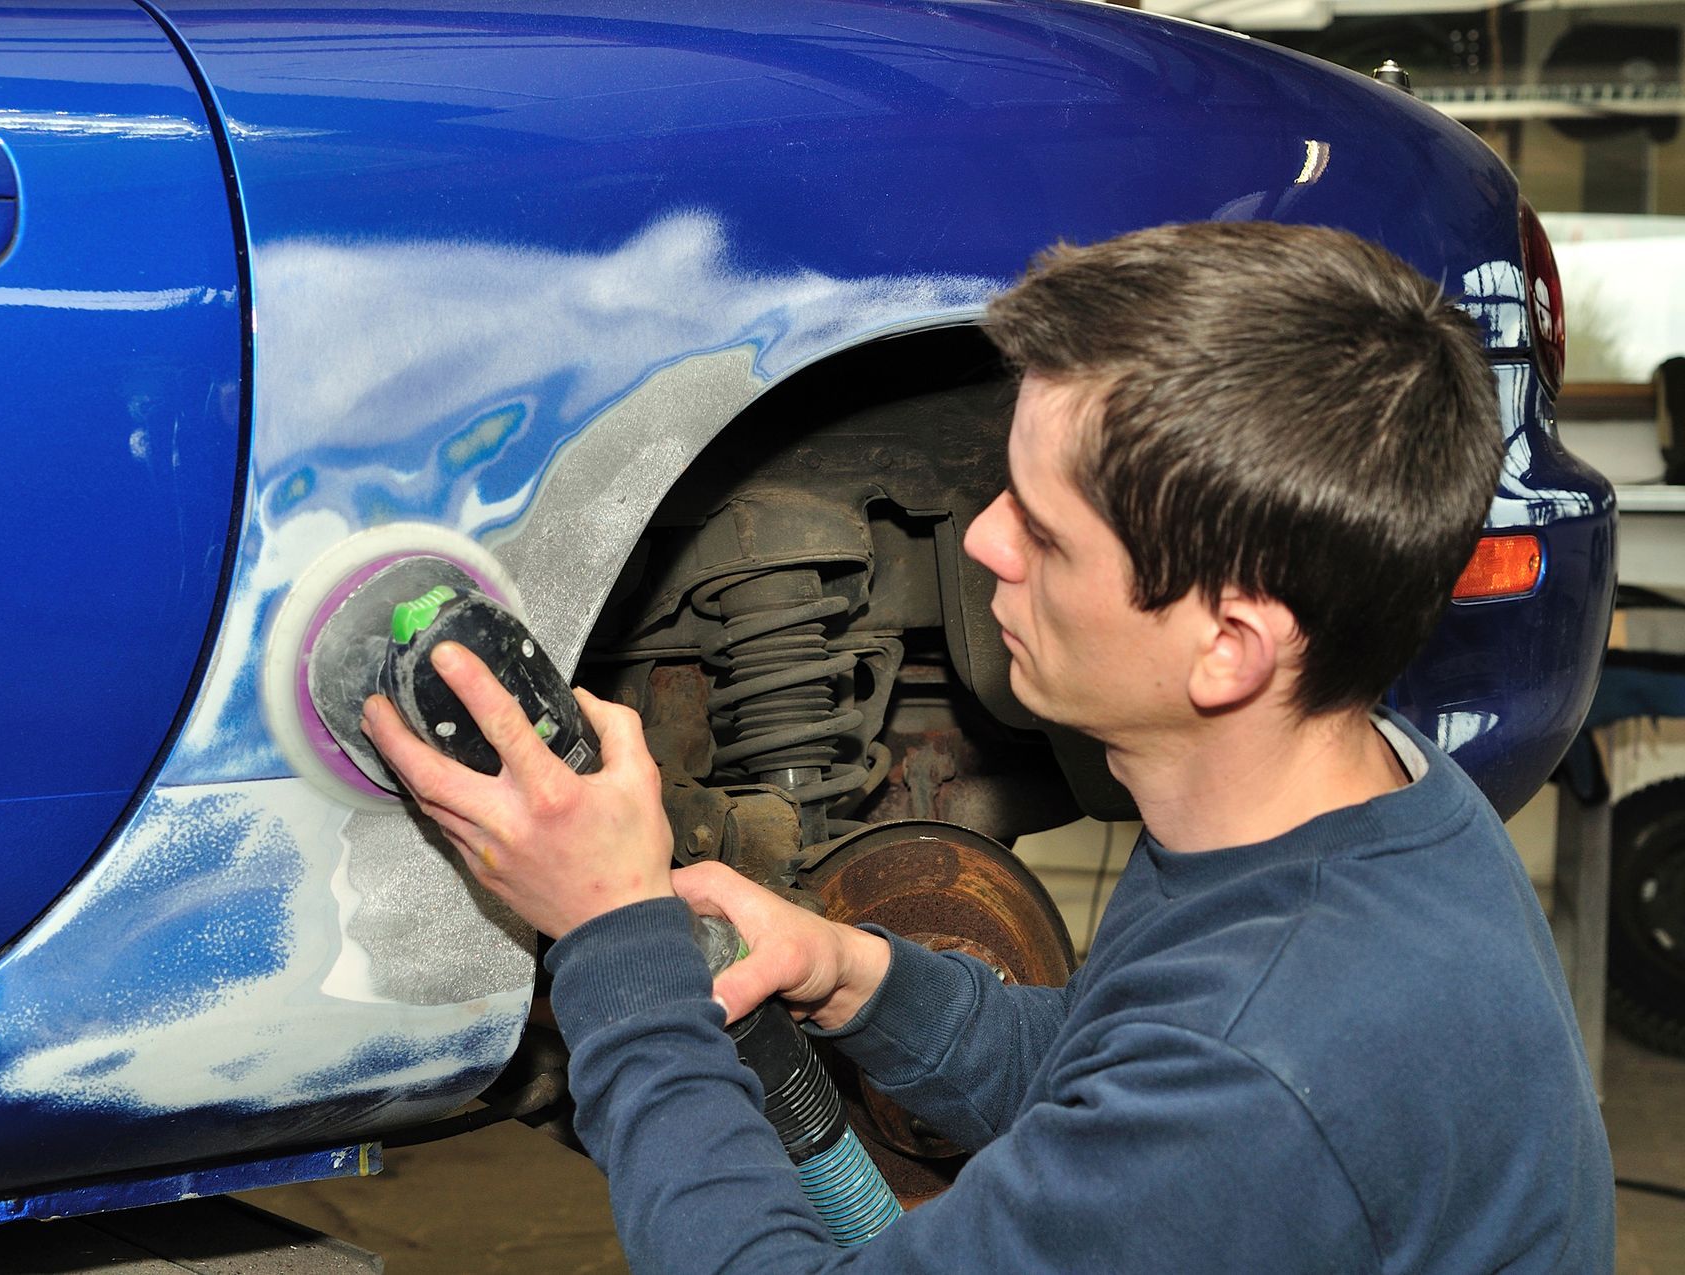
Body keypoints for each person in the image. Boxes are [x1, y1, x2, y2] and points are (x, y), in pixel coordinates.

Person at [360, 221, 1614, 1272]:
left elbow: (1198, 1094)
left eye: (1048, 534)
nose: (981, 545)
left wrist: (610, 942)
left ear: (1231, 645)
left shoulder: (1263, 1076)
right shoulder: (1359, 801)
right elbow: (1117, 1064)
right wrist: (857, 975)